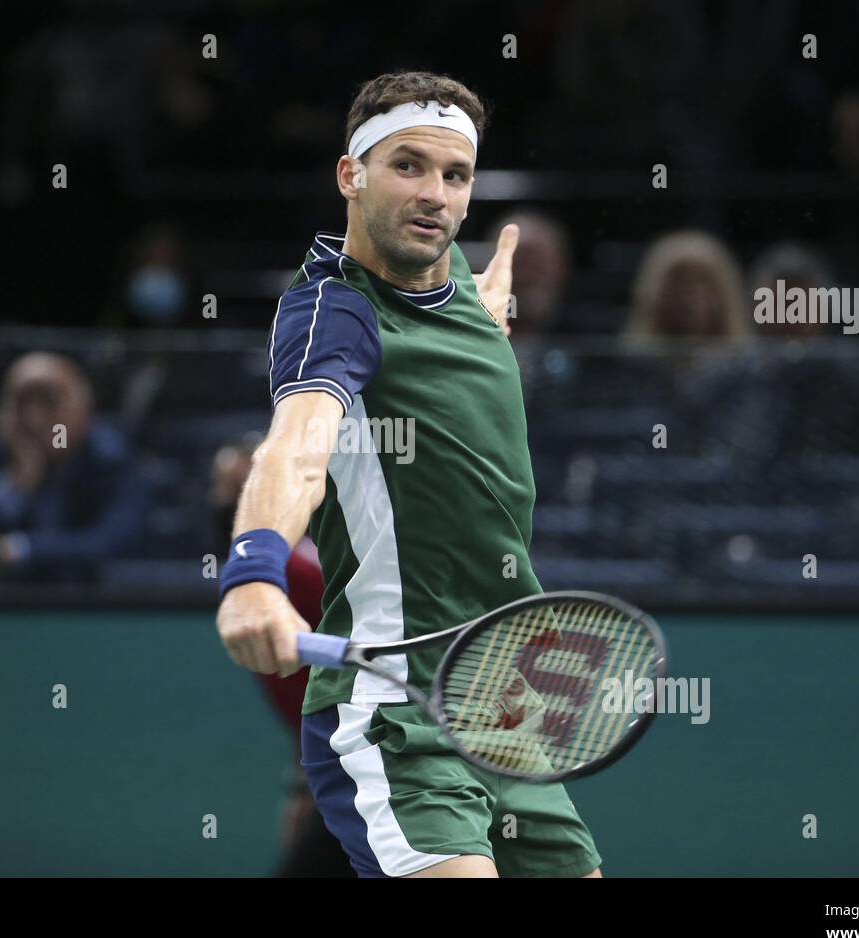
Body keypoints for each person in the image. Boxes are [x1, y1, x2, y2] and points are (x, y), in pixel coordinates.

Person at [215, 70, 603, 878]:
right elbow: (296, 445)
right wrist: (254, 572)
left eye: (455, 175)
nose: (435, 194)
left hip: (507, 709)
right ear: (349, 175)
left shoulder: (457, 279)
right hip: (396, 710)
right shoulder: (335, 309)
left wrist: (480, 316)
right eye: (408, 166)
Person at [209, 438, 353, 877]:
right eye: (221, 488)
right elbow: (305, 700)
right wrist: (302, 787)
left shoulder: (296, 572)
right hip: (330, 772)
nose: (224, 500)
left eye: (242, 489)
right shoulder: (253, 585)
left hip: (367, 770)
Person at [0, 352, 149, 594]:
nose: (33, 419)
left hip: (90, 609)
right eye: (20, 403)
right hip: (3, 609)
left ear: (84, 409)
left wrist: (18, 549)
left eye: (48, 402)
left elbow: (111, 542)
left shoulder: (111, 459)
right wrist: (13, 486)